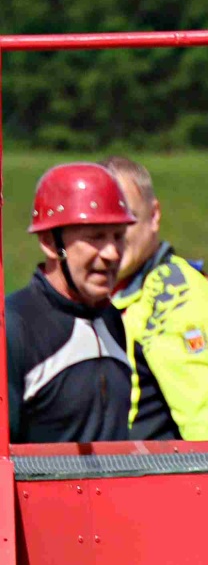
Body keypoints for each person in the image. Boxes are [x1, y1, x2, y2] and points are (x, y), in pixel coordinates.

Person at [6, 162, 174, 443]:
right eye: (95, 237)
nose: (111, 253)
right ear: (49, 242)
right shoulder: (14, 328)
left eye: (118, 237)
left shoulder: (111, 319)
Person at [100, 157, 208, 440]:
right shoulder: (108, 292)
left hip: (154, 477)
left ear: (154, 216)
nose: (115, 239)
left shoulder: (175, 297)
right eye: (103, 225)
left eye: (127, 221)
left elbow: (207, 426)